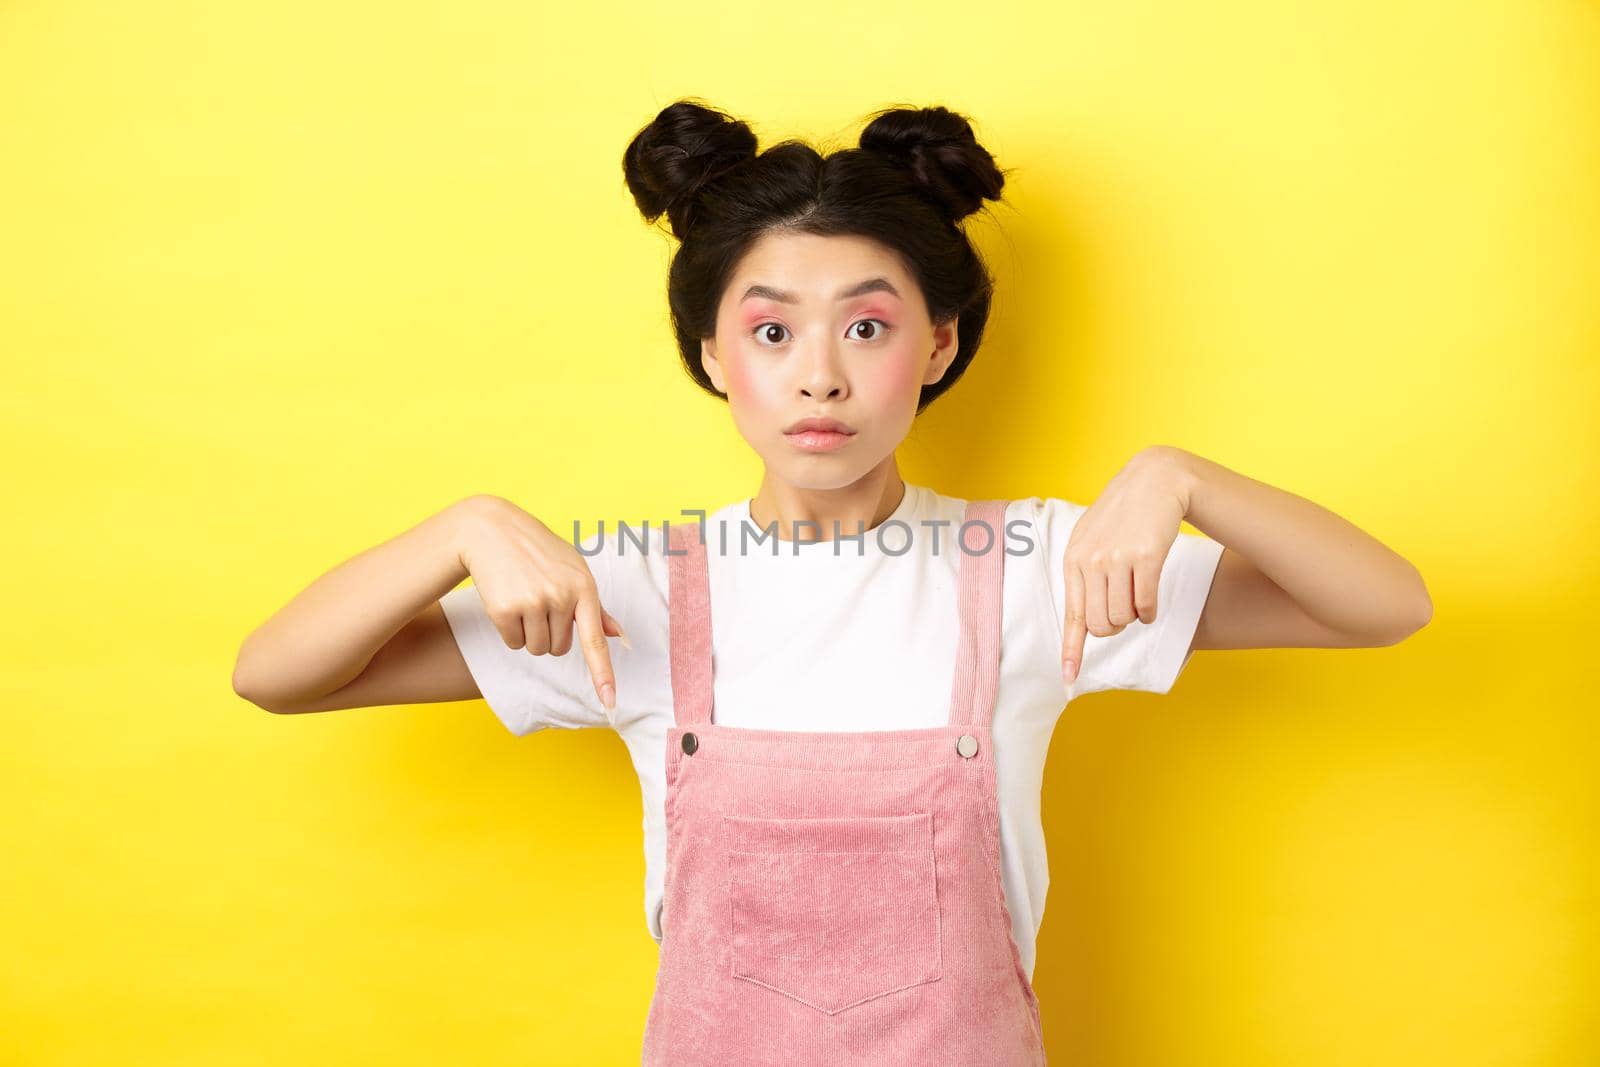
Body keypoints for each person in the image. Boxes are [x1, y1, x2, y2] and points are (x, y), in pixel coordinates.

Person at [232, 99, 1433, 1066]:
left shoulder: (1036, 571)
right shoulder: (633, 589)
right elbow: (277, 675)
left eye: (866, 328)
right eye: (770, 332)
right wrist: (465, 524)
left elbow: (1384, 605)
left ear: (940, 344)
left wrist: (1182, 478)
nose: (819, 377)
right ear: (711, 353)